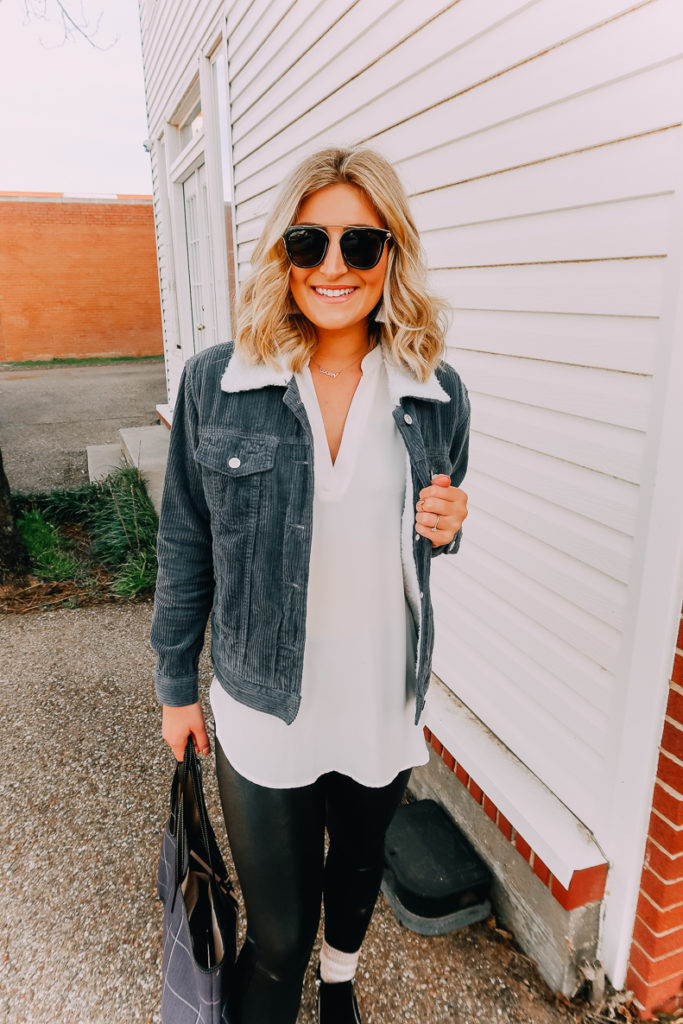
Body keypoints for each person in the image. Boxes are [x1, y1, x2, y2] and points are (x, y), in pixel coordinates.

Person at [150, 146, 470, 1024]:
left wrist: (446, 527)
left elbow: (426, 540)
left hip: (378, 695)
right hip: (263, 703)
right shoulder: (220, 384)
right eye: (309, 242)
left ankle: (341, 984)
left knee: (357, 873)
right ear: (282, 253)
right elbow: (184, 542)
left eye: (360, 246)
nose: (334, 268)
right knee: (276, 939)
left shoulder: (437, 393)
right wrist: (176, 686)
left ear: (391, 255)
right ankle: (308, 973)